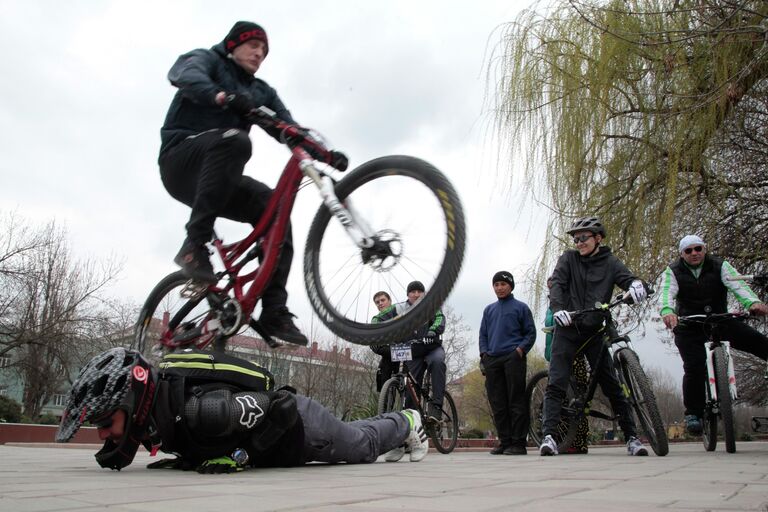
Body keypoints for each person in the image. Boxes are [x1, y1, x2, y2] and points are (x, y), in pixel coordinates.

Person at [158, 21, 345, 345]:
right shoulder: (207, 60)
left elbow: (287, 126)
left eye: (264, 51)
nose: (260, 53)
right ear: (233, 45)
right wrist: (222, 96)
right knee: (237, 142)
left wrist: (323, 153)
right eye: (253, 46)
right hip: (181, 162)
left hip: (220, 175)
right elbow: (184, 76)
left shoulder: (261, 91)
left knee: (274, 206)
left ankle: (274, 309)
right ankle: (194, 246)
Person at [55, 347, 429, 472]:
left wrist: (240, 455)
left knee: (362, 447)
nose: (103, 434)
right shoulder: (164, 409)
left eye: (105, 422)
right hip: (295, 434)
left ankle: (408, 419)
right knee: (355, 432)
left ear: (131, 403)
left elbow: (279, 407)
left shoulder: (205, 411)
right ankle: (395, 426)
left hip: (301, 429)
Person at [541, 216, 649, 456]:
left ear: (598, 238)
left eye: (584, 238)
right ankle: (548, 436)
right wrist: (558, 309)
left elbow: (627, 278)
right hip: (568, 328)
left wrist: (637, 285)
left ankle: (632, 438)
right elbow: (557, 284)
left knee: (611, 385)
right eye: (576, 239)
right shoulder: (568, 259)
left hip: (594, 330)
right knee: (557, 380)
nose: (579, 243)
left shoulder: (610, 262)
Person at [659, 234, 768, 435]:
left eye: (698, 249)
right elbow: (666, 292)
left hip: (720, 320)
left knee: (759, 342)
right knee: (694, 367)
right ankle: (693, 413)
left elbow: (739, 286)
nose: (694, 253)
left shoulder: (720, 266)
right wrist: (667, 312)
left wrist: (752, 303)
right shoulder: (673, 271)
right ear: (681, 254)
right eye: (689, 251)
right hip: (690, 324)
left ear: (704, 249)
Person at [479, 271, 536, 455]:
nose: (499, 288)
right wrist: (484, 355)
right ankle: (504, 441)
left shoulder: (521, 308)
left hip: (513, 357)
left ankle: (518, 443)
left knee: (516, 400)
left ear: (510, 286)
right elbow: (483, 335)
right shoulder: (489, 310)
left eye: (503, 284)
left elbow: (530, 333)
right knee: (498, 402)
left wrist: (519, 350)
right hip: (493, 360)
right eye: (496, 284)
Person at [544, 276, 590, 454]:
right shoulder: (551, 307)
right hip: (555, 353)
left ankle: (579, 441)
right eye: (549, 286)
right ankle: (561, 439)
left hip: (574, 351)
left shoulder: (569, 301)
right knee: (561, 396)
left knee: (579, 395)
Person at [370, 291, 400, 391]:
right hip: (390, 353)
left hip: (408, 350)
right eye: (377, 302)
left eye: (383, 300)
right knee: (384, 376)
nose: (380, 303)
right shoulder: (377, 319)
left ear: (390, 301)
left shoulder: (399, 311)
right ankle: (386, 404)